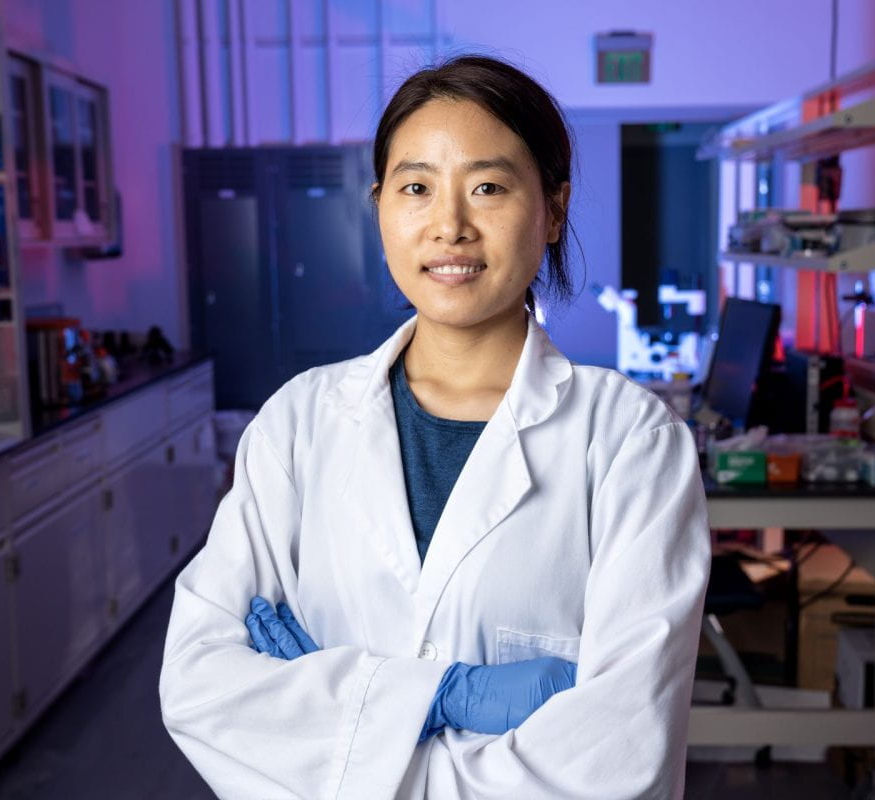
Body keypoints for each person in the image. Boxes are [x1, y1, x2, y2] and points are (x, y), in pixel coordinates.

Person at [160, 55, 710, 799]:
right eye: (416, 188)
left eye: (487, 187)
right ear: (379, 205)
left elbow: (618, 759)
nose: (449, 225)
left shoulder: (630, 444)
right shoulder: (299, 423)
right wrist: (448, 695)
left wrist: (338, 719)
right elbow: (200, 686)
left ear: (552, 209)